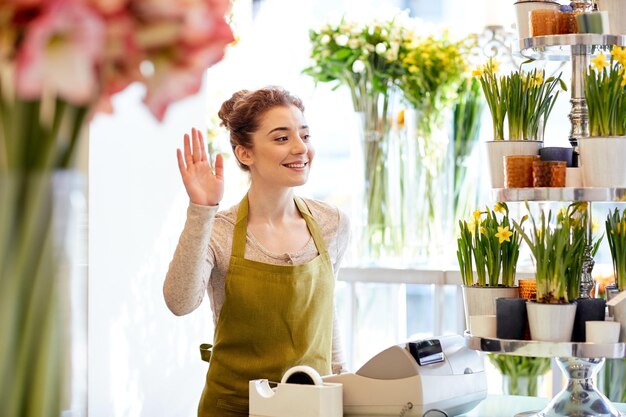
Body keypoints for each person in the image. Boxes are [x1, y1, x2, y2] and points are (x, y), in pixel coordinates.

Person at [163, 86, 350, 417]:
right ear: (245, 153)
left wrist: (346, 393)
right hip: (235, 408)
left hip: (314, 408)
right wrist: (201, 209)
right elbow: (180, 302)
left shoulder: (331, 223)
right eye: (281, 138)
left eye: (304, 135)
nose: (301, 148)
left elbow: (326, 318)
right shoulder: (218, 230)